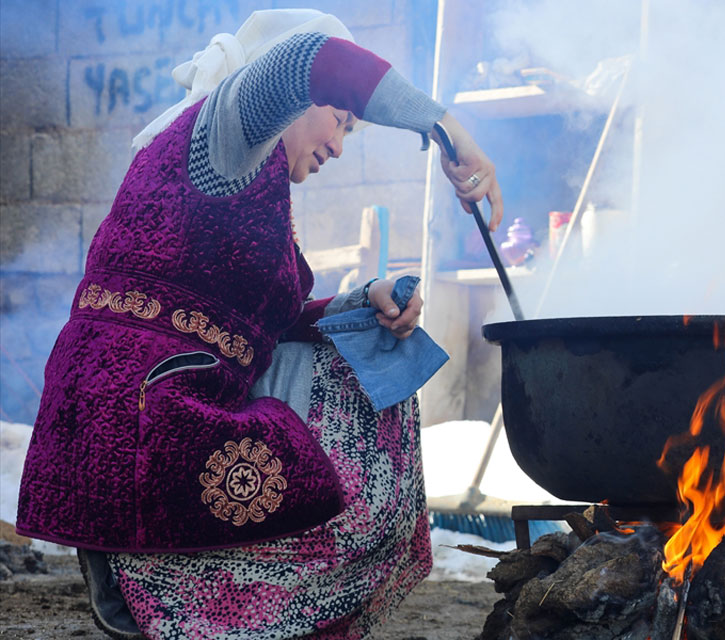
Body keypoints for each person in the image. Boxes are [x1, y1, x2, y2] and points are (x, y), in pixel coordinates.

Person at [14, 10, 501, 639]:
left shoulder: (254, 182)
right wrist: (449, 130)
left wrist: (366, 301)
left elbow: (254, 329)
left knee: (373, 344)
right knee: (345, 386)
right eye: (340, 120)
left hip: (151, 414)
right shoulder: (225, 136)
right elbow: (311, 58)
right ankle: (177, 582)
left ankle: (197, 588)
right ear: (292, 101)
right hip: (134, 422)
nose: (340, 144)